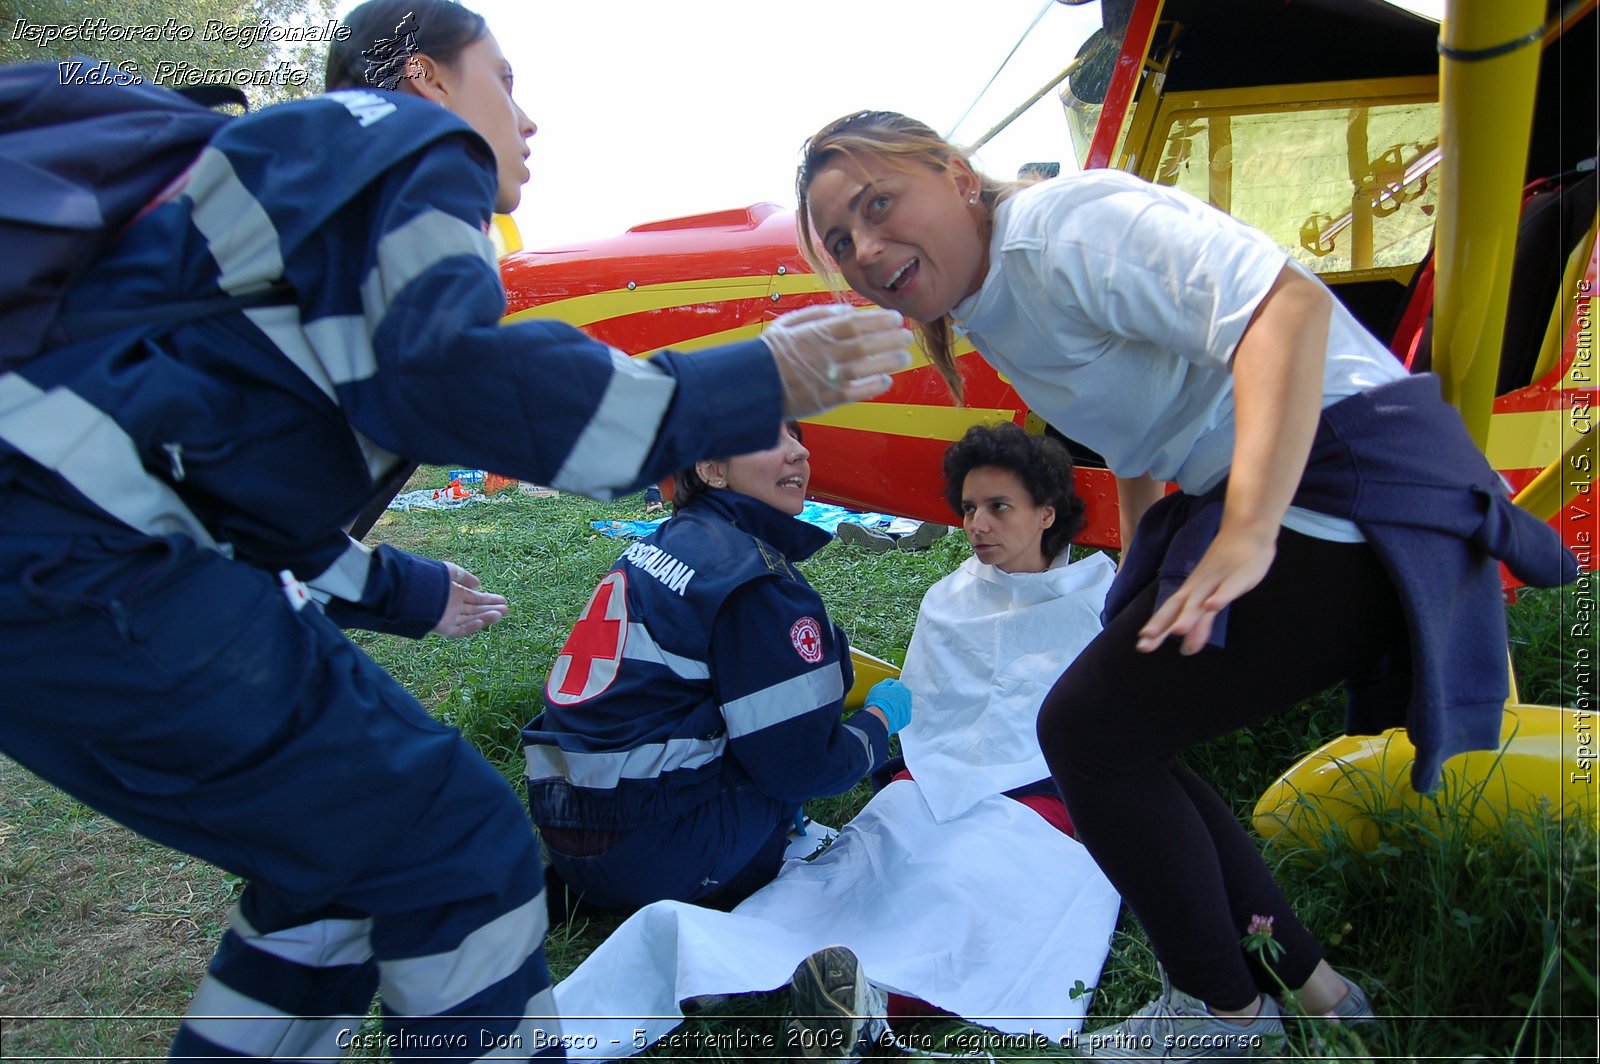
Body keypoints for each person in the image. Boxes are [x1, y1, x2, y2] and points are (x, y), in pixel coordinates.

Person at [0, 3, 914, 1056]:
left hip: (66, 583)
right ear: (428, 79)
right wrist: (757, 375)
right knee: (459, 845)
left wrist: (412, 593)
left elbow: (250, 508)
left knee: (338, 867)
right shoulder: (397, 140)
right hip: (101, 564)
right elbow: (444, 374)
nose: (529, 121)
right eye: (507, 81)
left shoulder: (280, 230)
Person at [795, 110, 1576, 1058]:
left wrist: (1247, 532)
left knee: (1086, 731)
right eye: (841, 239)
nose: (866, 248)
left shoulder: (1063, 229)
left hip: (1353, 481)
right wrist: (1138, 564)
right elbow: (1137, 429)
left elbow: (1287, 307)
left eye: (881, 204)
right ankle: (1319, 992)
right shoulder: (987, 298)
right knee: (1128, 732)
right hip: (1255, 487)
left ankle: (1223, 1012)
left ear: (957, 174)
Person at [522, 421, 911, 911]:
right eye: (770, 437)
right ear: (711, 470)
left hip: (569, 831)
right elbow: (806, 768)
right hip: (649, 858)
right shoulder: (753, 582)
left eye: (798, 440)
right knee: (784, 765)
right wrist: (877, 724)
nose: (798, 454)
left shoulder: (665, 541)